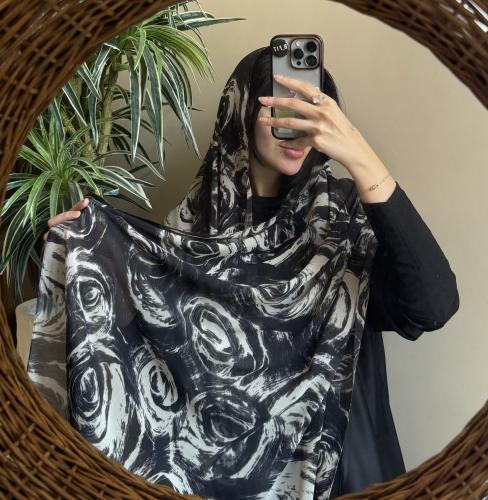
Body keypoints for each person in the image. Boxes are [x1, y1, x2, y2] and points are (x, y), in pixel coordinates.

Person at [40, 46, 459, 498]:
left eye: (312, 111)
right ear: (240, 109)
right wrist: (82, 247)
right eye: (281, 107)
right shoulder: (191, 231)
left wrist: (360, 156)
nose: (296, 127)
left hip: (341, 475)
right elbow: (140, 351)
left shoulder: (345, 219)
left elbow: (432, 306)